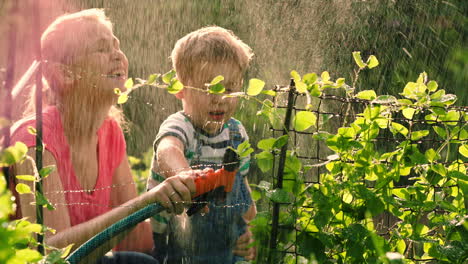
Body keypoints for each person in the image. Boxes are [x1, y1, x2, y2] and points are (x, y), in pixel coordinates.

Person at [9, 9, 196, 264]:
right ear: (66, 73)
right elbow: (51, 255)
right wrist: (144, 204)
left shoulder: (109, 132)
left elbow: (136, 240)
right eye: (102, 48)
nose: (118, 55)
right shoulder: (35, 140)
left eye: (116, 46)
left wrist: (188, 219)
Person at [147, 26, 257, 264]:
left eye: (230, 89)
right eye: (209, 89)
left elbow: (241, 188)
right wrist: (185, 177)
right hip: (176, 248)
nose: (220, 99)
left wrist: (244, 228)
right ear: (180, 89)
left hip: (228, 247)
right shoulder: (181, 126)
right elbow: (168, 150)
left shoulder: (236, 134)